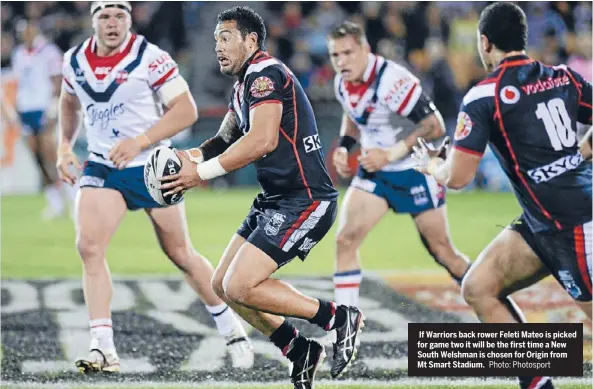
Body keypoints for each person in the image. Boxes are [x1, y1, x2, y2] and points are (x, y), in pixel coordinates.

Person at [159, 6, 364, 388]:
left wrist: (200, 175)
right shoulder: (244, 84)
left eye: (225, 37)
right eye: (215, 38)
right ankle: (298, 349)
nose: (217, 46)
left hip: (306, 199)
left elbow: (262, 140)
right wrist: (187, 159)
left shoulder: (265, 75)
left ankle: (338, 318)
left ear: (251, 40)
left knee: (240, 285)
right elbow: (223, 139)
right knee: (222, 285)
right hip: (276, 199)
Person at [57, 1, 253, 373]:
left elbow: (186, 109)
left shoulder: (150, 57)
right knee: (89, 247)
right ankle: (103, 347)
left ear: (130, 19)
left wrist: (141, 141)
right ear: (93, 19)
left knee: (180, 253)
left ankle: (231, 329)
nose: (112, 22)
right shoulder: (75, 60)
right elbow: (68, 103)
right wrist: (64, 146)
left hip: (150, 166)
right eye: (104, 15)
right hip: (103, 164)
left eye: (120, 15)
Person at [413, 3, 592, 389]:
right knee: (479, 286)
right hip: (543, 222)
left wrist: (433, 167)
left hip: (575, 224)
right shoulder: (563, 77)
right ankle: (537, 383)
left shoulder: (483, 95)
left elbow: (458, 177)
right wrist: (582, 151)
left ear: (484, 42)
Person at [326, 21, 526, 324]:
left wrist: (390, 154)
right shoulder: (343, 81)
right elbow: (353, 116)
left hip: (415, 168)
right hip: (376, 172)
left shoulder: (392, 81)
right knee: (345, 240)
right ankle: (345, 329)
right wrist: (344, 146)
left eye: (348, 53)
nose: (341, 61)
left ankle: (501, 309)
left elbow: (433, 125)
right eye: (335, 55)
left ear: (365, 49)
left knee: (443, 252)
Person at [12, 19, 74, 219]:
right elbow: (18, 83)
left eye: (29, 30)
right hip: (26, 108)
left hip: (43, 106)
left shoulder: (49, 52)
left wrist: (53, 108)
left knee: (52, 154)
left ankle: (74, 197)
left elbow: (57, 80)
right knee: (36, 156)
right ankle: (54, 201)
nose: (26, 35)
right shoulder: (18, 54)